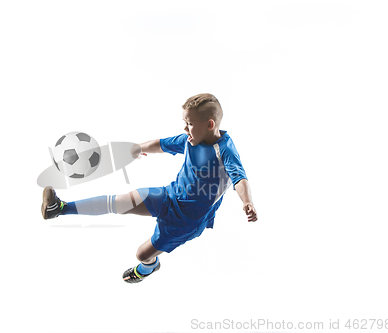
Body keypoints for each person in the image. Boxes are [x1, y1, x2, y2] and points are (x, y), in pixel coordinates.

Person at [41, 93, 257, 283]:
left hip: (186, 222)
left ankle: (149, 267)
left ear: (210, 125)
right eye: (184, 122)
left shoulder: (225, 150)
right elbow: (160, 144)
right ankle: (59, 208)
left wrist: (247, 202)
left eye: (189, 123)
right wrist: (137, 149)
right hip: (168, 196)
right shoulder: (190, 140)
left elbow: (239, 178)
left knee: (142, 254)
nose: (185, 128)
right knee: (124, 200)